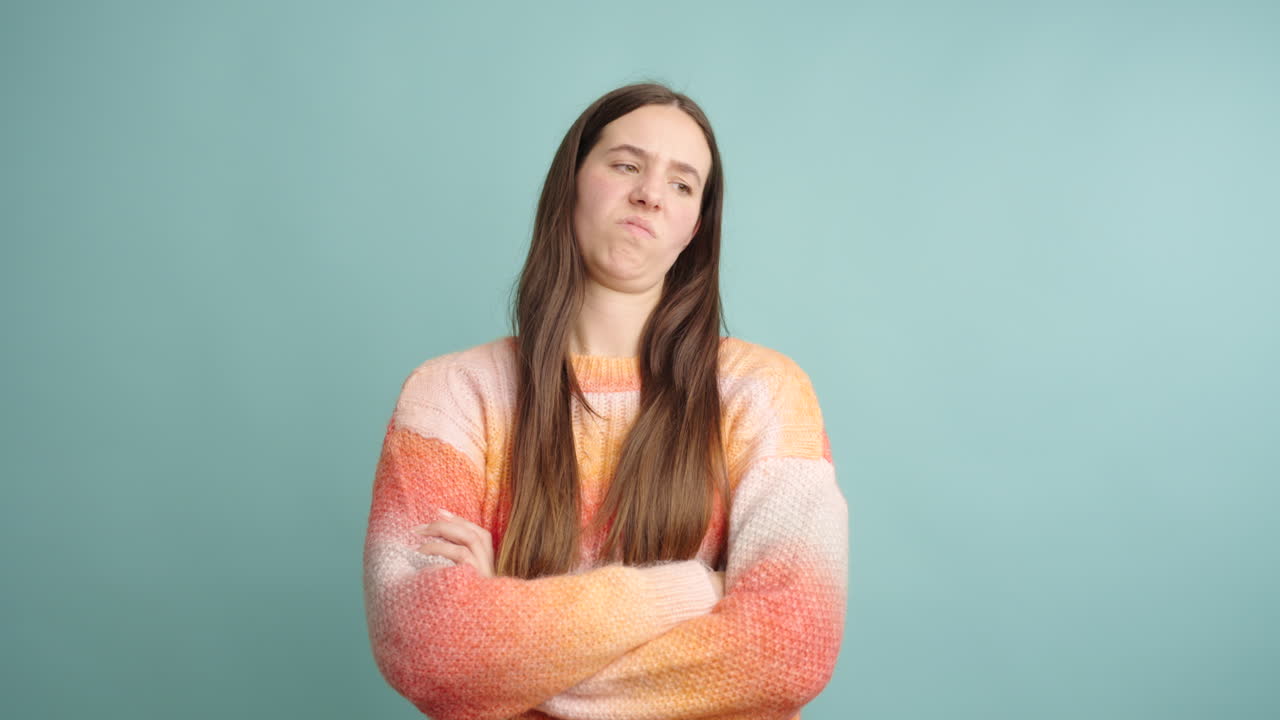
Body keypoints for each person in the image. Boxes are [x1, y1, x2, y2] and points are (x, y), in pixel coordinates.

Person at [362, 82, 848, 720]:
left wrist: (504, 630)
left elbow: (791, 646)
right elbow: (426, 648)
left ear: (695, 228)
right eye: (626, 165)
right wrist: (695, 591)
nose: (649, 192)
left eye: (682, 184)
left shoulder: (763, 393)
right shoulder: (451, 395)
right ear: (571, 182)